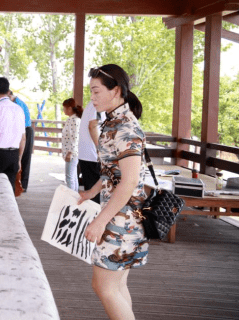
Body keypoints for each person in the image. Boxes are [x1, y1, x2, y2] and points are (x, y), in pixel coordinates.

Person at [78, 64, 149, 320]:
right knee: (116, 286)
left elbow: (128, 182)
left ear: (116, 90)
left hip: (122, 219)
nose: (92, 98)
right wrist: (90, 193)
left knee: (104, 286)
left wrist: (100, 221)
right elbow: (111, 171)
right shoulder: (114, 121)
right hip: (122, 215)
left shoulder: (125, 127)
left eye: (96, 91)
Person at [8, 90, 33, 192]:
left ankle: (23, 185)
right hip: (21, 130)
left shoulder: (18, 104)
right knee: (19, 157)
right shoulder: (15, 102)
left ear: (10, 95)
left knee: (24, 158)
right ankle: (17, 183)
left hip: (25, 130)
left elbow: (18, 122)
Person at [79, 100, 101, 203]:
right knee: (95, 196)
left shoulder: (91, 105)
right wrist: (100, 149)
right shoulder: (97, 104)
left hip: (88, 155)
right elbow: (92, 126)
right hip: (93, 155)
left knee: (92, 193)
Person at [61, 98, 82, 192]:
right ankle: (75, 198)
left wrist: (70, 152)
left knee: (69, 178)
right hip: (70, 152)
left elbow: (75, 138)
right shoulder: (71, 119)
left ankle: (70, 200)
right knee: (73, 177)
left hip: (72, 153)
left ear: (69, 108)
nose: (63, 110)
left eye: (64, 108)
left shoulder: (75, 120)